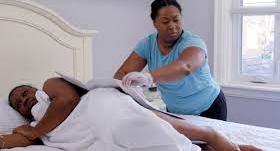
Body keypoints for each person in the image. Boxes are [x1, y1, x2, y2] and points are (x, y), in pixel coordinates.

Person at [2, 77, 261, 151]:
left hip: (98, 107)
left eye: (25, 92)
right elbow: (16, 141)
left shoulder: (49, 87)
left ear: (34, 88)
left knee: (130, 126)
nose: (24, 100)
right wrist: (28, 132)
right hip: (83, 135)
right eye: (17, 103)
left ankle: (212, 136)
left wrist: (36, 131)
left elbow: (69, 99)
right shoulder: (34, 124)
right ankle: (202, 147)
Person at [114, 0, 226, 120]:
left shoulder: (193, 42)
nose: (172, 26)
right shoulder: (147, 44)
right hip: (175, 110)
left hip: (209, 106)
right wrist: (114, 92)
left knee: (211, 139)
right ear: (155, 23)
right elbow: (123, 73)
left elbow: (185, 67)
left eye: (176, 20)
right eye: (165, 21)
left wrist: (149, 77)